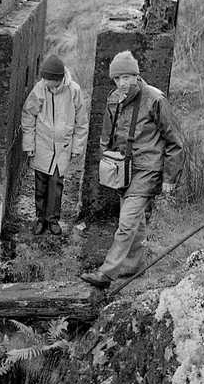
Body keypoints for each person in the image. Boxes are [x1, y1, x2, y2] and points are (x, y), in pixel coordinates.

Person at [80, 50, 183, 289]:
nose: (122, 83)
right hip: (122, 170)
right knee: (134, 220)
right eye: (118, 79)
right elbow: (107, 135)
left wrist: (169, 177)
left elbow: (175, 141)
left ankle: (107, 273)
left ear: (136, 75)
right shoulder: (113, 99)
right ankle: (134, 265)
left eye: (127, 77)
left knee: (126, 223)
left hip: (147, 170)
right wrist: (107, 163)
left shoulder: (155, 99)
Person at [20, 53, 88, 236]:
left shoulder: (74, 91)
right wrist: (29, 144)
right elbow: (28, 115)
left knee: (56, 184)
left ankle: (53, 219)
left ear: (58, 79)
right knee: (40, 183)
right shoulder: (40, 89)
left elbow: (82, 122)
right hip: (42, 144)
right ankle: (40, 219)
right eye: (44, 79)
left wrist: (77, 148)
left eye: (49, 79)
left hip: (63, 147)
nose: (46, 82)